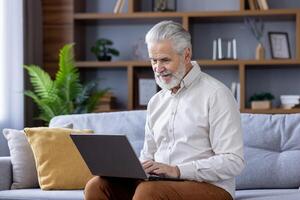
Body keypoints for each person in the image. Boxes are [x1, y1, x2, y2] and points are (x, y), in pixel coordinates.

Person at [84, 20, 245, 200]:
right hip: (159, 183)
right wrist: (135, 168)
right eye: (154, 60)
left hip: (211, 187)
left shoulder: (216, 94)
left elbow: (233, 161)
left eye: (165, 60)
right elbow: (148, 155)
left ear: (186, 55)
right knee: (97, 186)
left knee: (149, 192)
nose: (158, 68)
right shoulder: (156, 102)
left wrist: (177, 171)